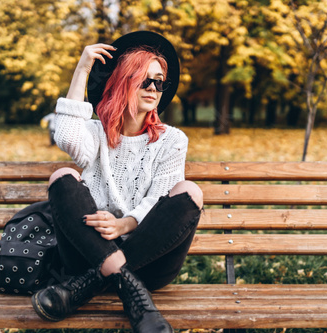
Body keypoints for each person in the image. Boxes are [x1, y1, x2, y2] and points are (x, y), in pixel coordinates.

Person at [31, 31, 203, 333]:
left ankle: (85, 287)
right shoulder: (96, 134)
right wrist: (82, 69)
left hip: (150, 262)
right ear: (123, 81)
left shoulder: (172, 141)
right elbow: (68, 136)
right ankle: (134, 295)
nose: (153, 87)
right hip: (88, 253)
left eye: (159, 81)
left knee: (190, 192)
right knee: (63, 177)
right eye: (144, 80)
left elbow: (159, 199)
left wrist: (124, 225)